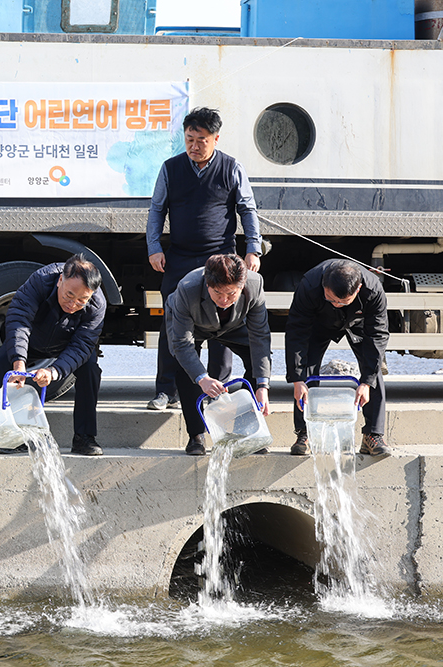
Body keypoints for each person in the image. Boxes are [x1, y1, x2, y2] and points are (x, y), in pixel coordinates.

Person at [146, 106, 263, 413]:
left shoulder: (231, 167)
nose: (194, 145)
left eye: (201, 139)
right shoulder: (170, 168)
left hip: (221, 257)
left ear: (215, 138)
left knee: (222, 322)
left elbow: (247, 210)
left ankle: (218, 387)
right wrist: (154, 246)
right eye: (189, 138)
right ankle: (165, 389)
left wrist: (253, 248)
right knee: (171, 324)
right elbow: (157, 209)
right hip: (180, 257)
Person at [0, 254, 106, 456]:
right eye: (69, 296)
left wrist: (54, 372)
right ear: (60, 280)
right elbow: (19, 319)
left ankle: (84, 437)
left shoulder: (97, 305)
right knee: (3, 361)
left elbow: (82, 345)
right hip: (34, 339)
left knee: (90, 369)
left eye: (81, 300)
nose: (73, 304)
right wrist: (19, 361)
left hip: (67, 343)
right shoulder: (41, 280)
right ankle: (12, 435)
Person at [165, 254, 271, 456]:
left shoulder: (255, 284)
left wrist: (262, 386)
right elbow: (181, 343)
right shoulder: (187, 288)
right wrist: (202, 378)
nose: (224, 300)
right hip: (193, 325)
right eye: (217, 293)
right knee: (185, 368)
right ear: (207, 284)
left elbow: (260, 337)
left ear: (242, 286)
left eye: (231, 294)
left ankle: (245, 430)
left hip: (232, 324)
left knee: (254, 358)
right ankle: (196, 435)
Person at [285, 259, 391, 456]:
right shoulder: (309, 285)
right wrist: (297, 378)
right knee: (306, 371)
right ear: (324, 284)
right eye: (331, 298)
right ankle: (304, 433)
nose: (336, 304)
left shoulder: (373, 289)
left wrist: (366, 382)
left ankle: (372, 435)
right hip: (318, 321)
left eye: (342, 301)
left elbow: (378, 335)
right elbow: (296, 333)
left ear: (358, 289)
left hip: (357, 319)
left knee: (373, 371)